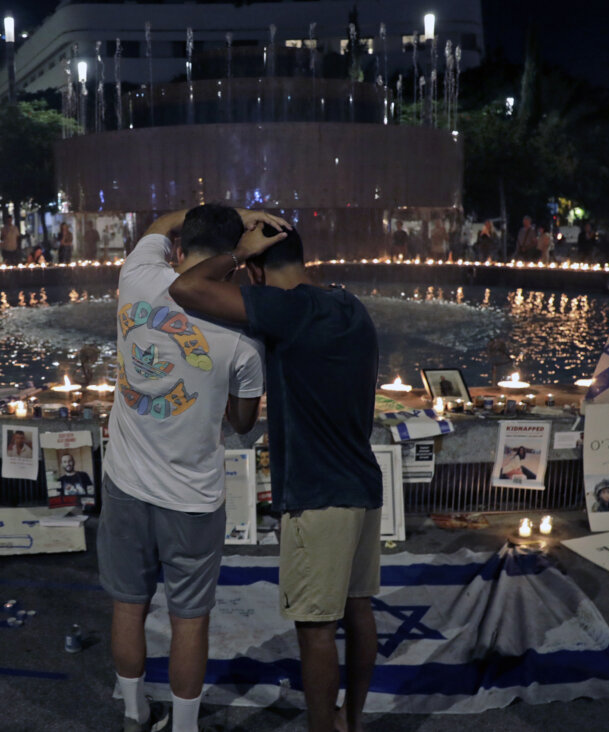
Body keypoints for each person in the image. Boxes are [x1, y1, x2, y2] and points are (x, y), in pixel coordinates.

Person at [169, 220, 381, 732]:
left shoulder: (291, 311)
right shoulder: (352, 308)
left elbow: (187, 290)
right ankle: (350, 720)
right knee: (358, 612)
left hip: (316, 494)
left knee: (315, 629)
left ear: (259, 271)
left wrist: (237, 253)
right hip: (363, 486)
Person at [99, 204, 269, 732]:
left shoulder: (137, 276)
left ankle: (133, 713)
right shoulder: (243, 334)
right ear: (234, 264)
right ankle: (186, 726)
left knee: (128, 605)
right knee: (188, 618)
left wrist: (237, 212)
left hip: (124, 482)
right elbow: (242, 424)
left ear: (178, 248)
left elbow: (154, 226)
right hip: (192, 498)